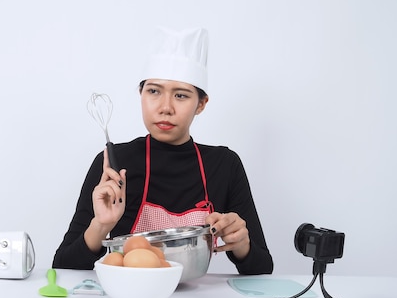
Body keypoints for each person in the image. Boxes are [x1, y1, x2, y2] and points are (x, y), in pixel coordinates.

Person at [52, 27, 273, 275]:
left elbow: (263, 269)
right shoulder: (115, 164)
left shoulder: (224, 164)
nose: (165, 108)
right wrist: (101, 225)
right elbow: (64, 266)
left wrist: (241, 244)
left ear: (201, 104)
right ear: (141, 93)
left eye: (181, 95)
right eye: (154, 91)